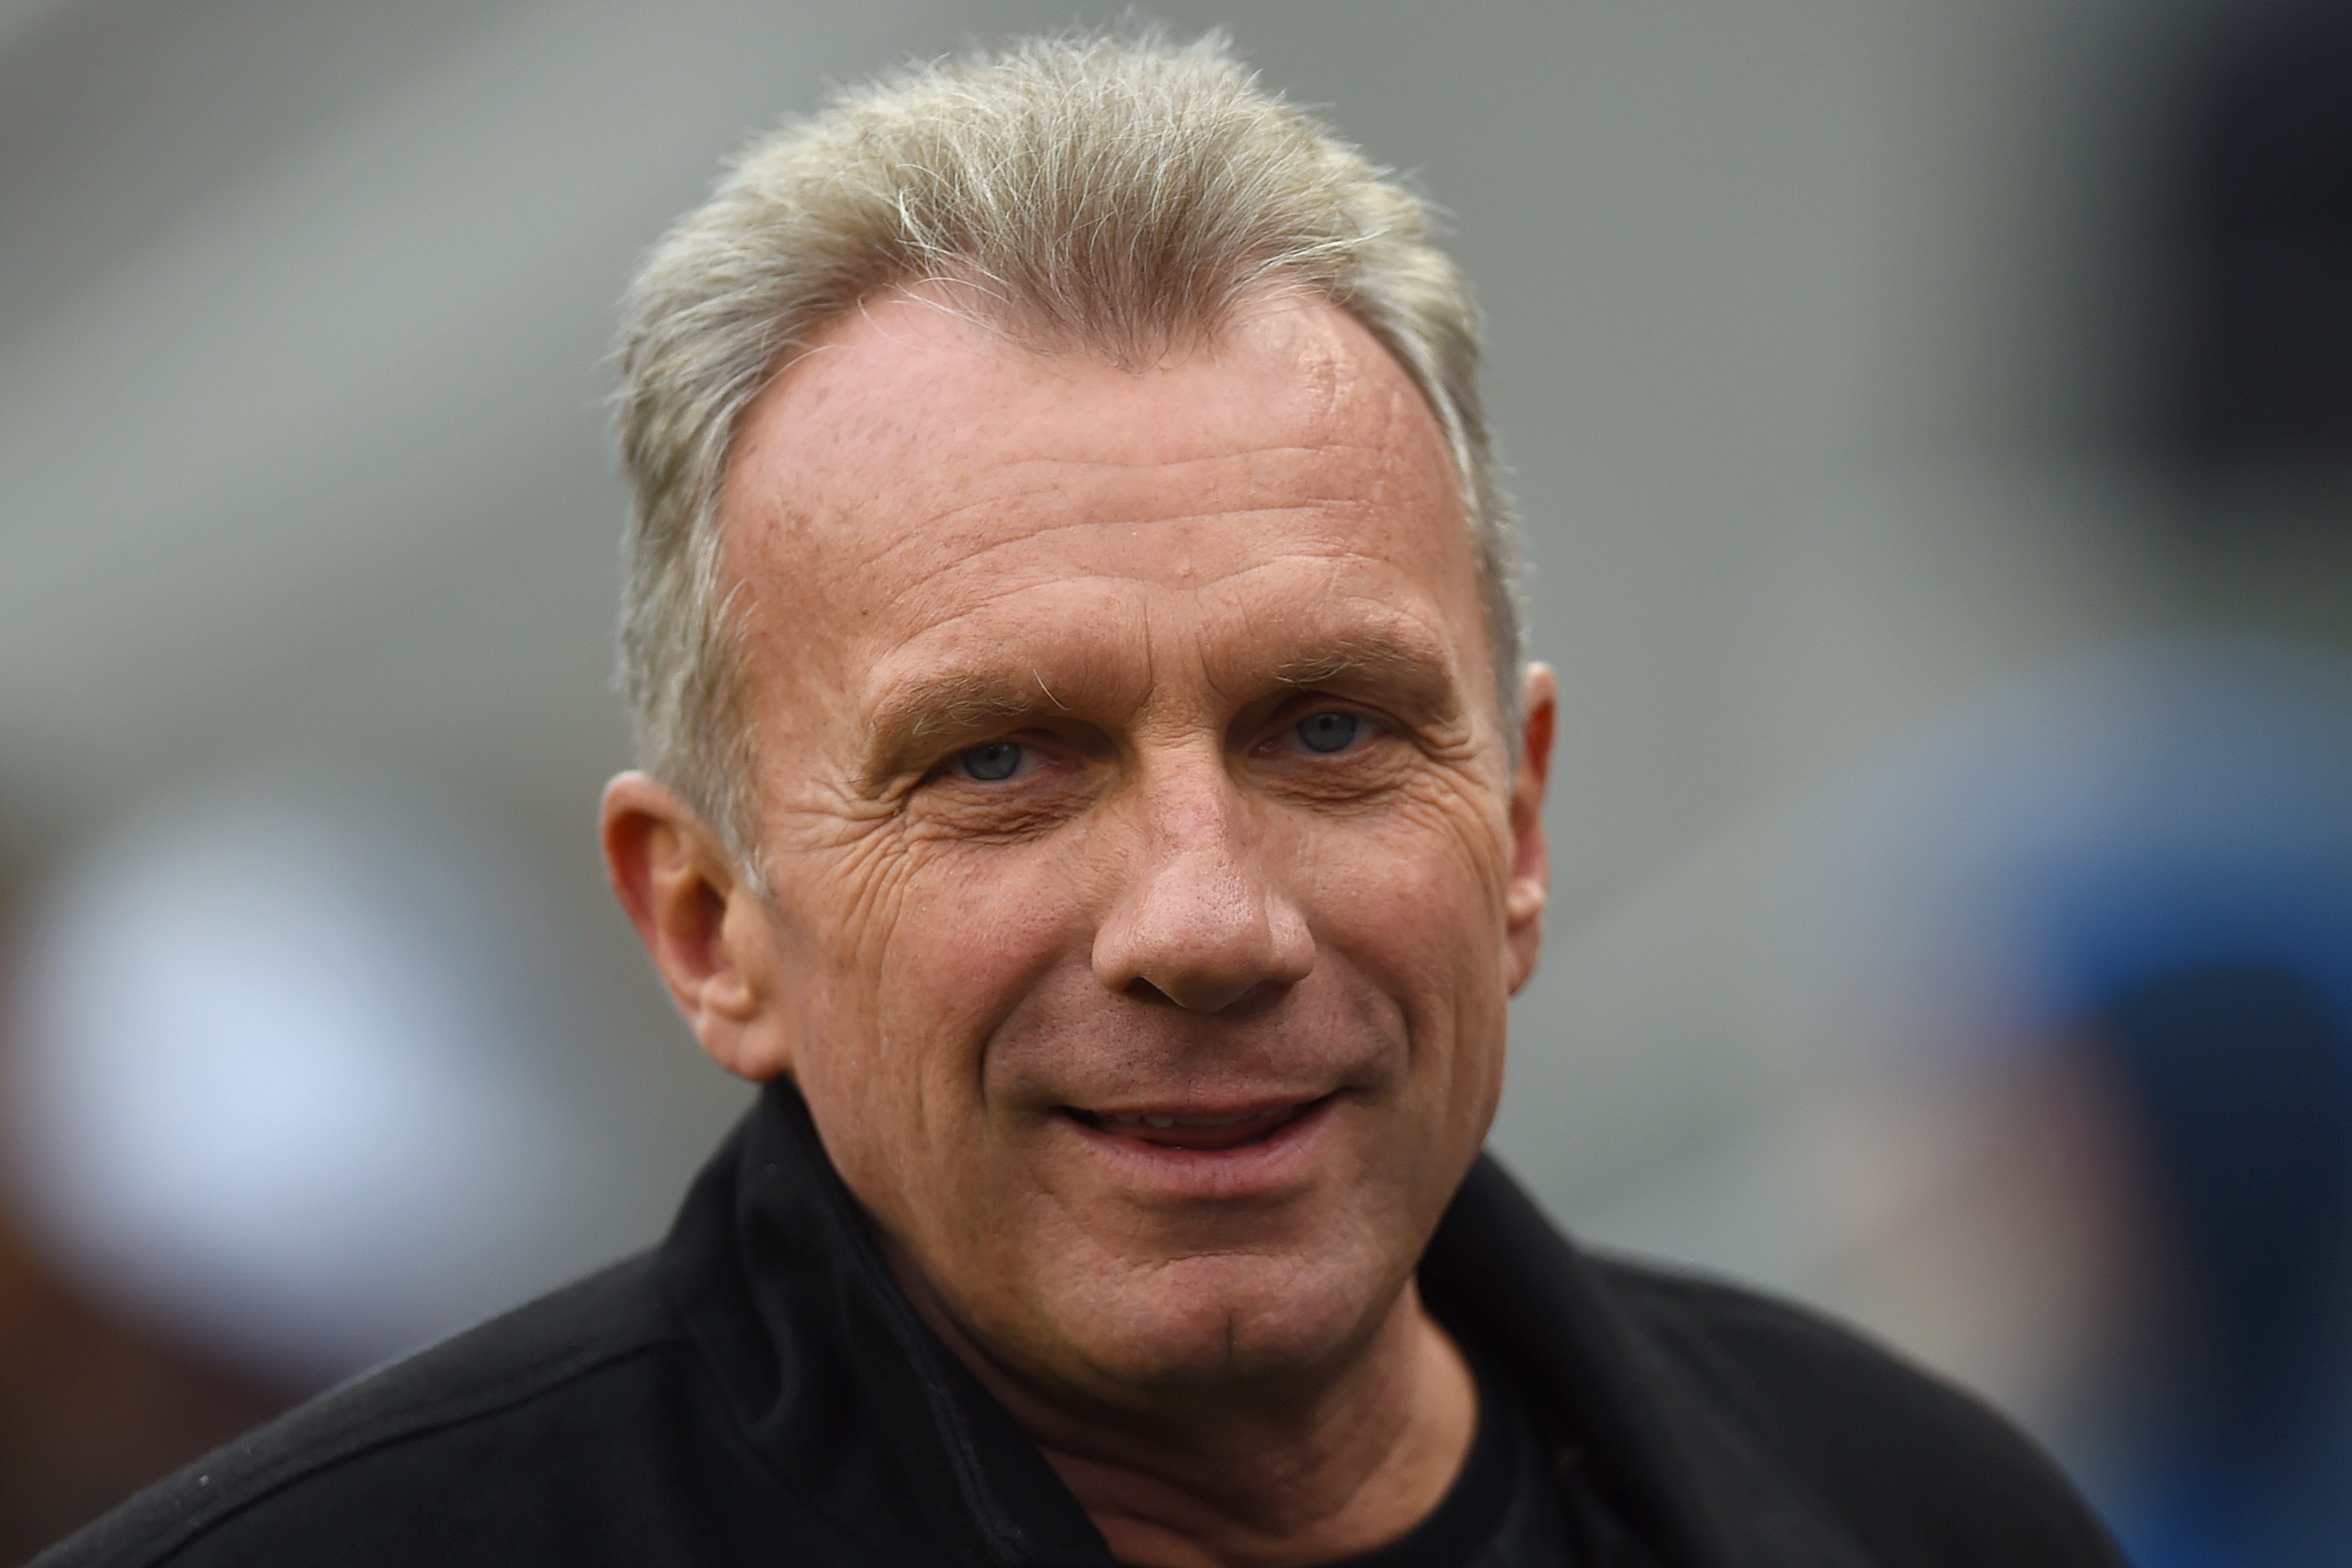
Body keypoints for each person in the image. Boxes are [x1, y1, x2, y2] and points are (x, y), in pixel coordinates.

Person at [40, 31, 2124, 1568]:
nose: (1205, 921)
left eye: (1327, 728)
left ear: (1520, 827)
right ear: (710, 924)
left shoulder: (1922, 1515)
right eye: (1001, 763)